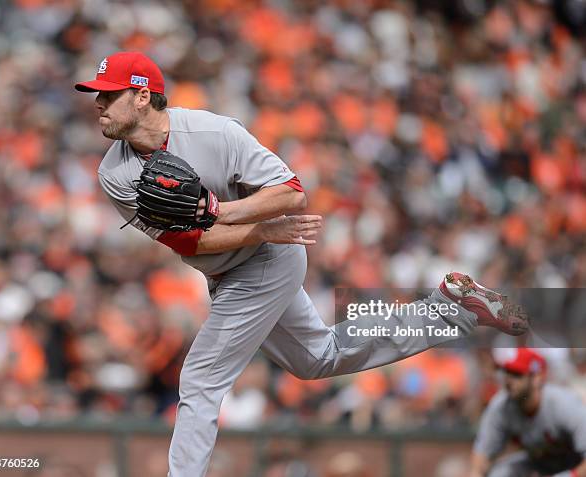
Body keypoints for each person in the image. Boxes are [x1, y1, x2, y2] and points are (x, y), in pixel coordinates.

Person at [74, 51, 528, 477]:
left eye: (108, 93)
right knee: (317, 359)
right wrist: (246, 225)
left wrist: (225, 213)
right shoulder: (115, 173)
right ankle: (450, 310)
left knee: (200, 378)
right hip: (234, 258)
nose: (98, 103)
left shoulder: (213, 133)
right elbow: (189, 243)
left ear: (142, 95)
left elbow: (293, 193)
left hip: (270, 257)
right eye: (97, 94)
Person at [470, 348, 586, 477]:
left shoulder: (564, 404)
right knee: (500, 473)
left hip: (574, 465)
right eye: (506, 373)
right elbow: (481, 457)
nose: (508, 380)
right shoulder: (500, 406)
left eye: (516, 374)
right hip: (540, 462)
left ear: (537, 378)